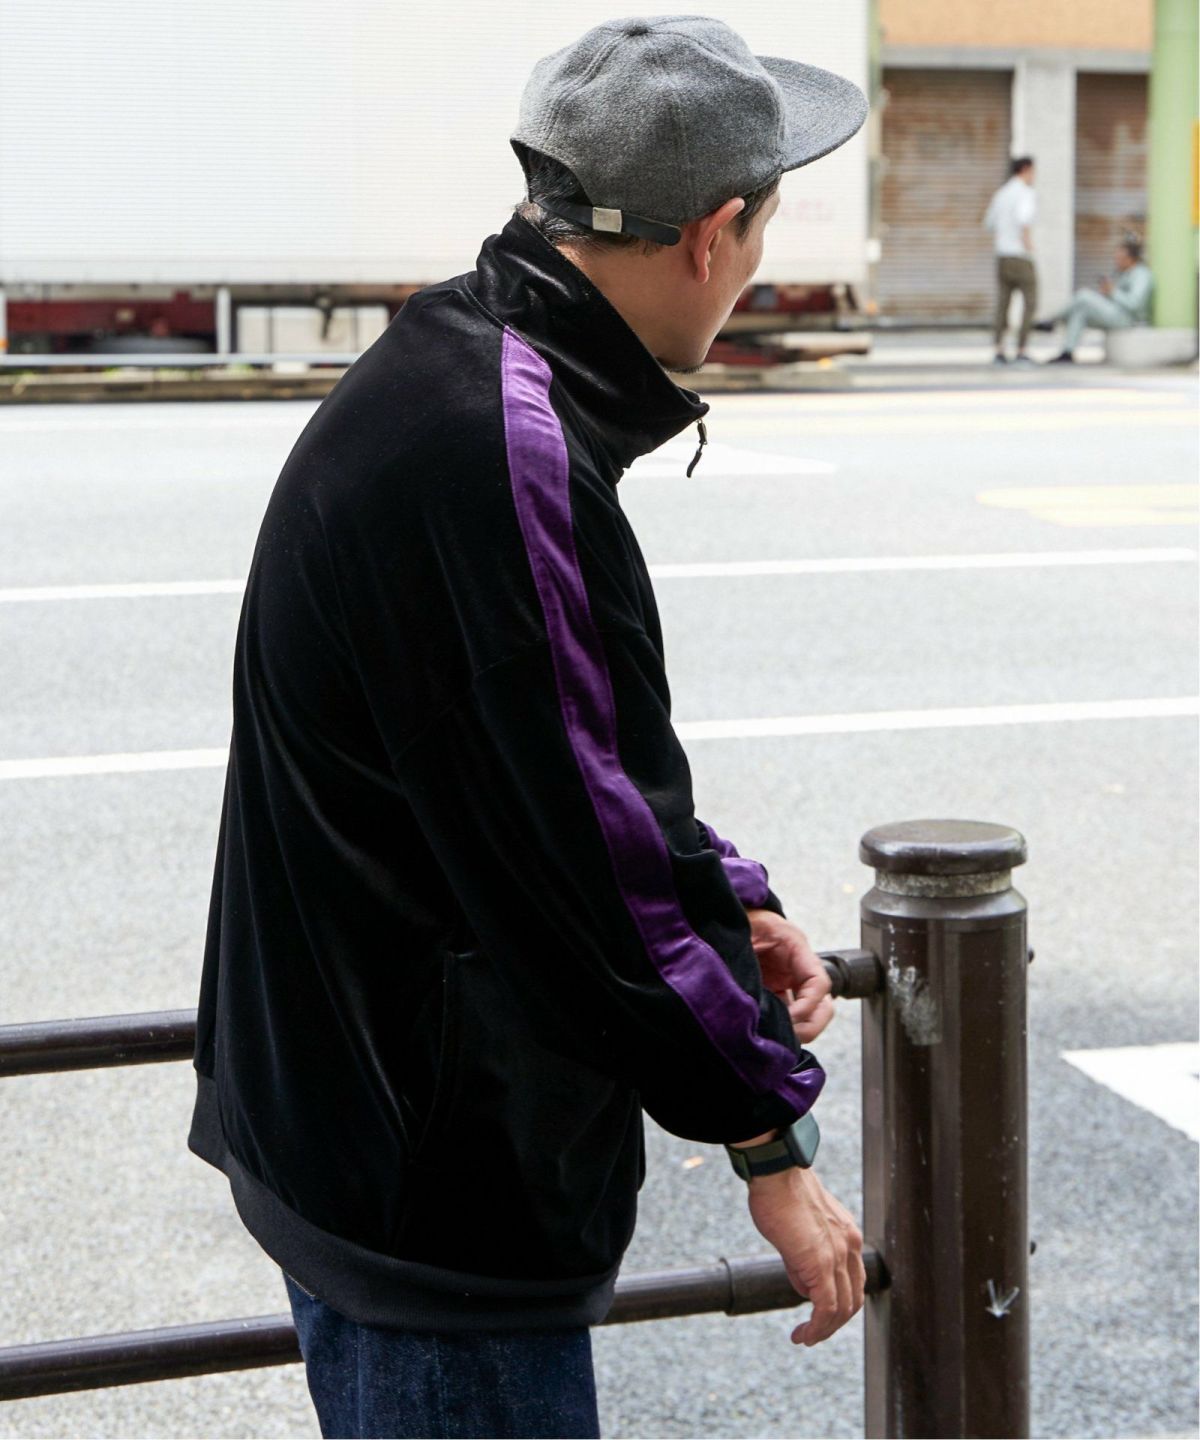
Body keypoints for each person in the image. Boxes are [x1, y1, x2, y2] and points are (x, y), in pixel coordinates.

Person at [188, 15, 868, 1439]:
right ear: (715, 234)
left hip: (352, 1111)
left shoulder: (456, 353)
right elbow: (585, 856)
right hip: (433, 1187)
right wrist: (769, 1137)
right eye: (762, 233)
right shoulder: (509, 451)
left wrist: (730, 900)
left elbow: (562, 757)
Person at [1037, 237, 1154, 363]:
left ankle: (1053, 320)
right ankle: (1067, 352)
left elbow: (1135, 304)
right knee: (1080, 312)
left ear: (1130, 258)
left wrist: (1113, 292)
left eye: (1119, 258)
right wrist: (1107, 294)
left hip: (1129, 319)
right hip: (1117, 313)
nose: (1116, 261)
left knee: (1083, 295)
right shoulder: (1125, 274)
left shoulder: (1141, 275)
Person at [983, 156, 1038, 365]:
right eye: (1033, 171)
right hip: (1020, 256)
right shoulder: (1026, 193)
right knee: (1030, 302)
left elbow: (989, 223)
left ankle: (999, 349)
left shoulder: (1002, 193)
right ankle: (1022, 349)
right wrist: (1028, 243)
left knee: (1003, 304)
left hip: (1003, 256)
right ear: (1025, 169)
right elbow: (1024, 220)